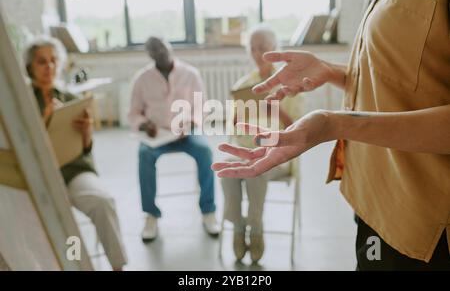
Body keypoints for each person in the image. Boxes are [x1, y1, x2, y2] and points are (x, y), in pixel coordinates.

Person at [212, 0, 450, 271]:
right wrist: (329, 70)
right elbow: (395, 78)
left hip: (420, 219)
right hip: (371, 192)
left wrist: (335, 124)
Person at [24, 36, 128, 271]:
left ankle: (118, 267)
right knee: (49, 217)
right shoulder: (22, 102)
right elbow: (26, 147)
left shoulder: (70, 99)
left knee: (103, 201)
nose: (49, 66)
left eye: (53, 61)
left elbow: (85, 149)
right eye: (42, 62)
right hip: (40, 178)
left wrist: (87, 133)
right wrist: (46, 118)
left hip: (74, 170)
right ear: (30, 67)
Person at [221, 26, 302, 263]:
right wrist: (236, 120)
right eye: (253, 49)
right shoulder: (244, 85)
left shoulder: (292, 83)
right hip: (248, 151)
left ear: (274, 50)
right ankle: (238, 225)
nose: (257, 55)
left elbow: (301, 130)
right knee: (227, 165)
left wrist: (276, 111)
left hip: (280, 154)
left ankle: (254, 225)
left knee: (257, 166)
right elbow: (234, 132)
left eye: (263, 49)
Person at [128, 36, 220, 242]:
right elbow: (133, 113)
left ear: (169, 47)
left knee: (205, 152)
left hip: (187, 133)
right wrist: (144, 124)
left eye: (162, 48)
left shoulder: (190, 74)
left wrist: (190, 125)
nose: (160, 53)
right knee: (144, 155)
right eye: (154, 51)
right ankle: (151, 214)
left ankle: (208, 210)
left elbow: (201, 108)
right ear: (149, 55)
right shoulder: (142, 79)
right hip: (157, 134)